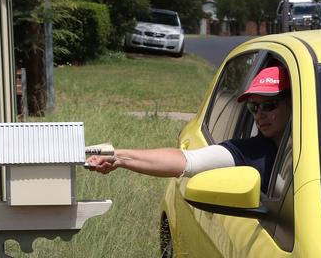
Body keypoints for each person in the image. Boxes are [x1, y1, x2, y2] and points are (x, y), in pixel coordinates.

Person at [85, 64, 292, 190]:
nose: (259, 115)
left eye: (269, 105)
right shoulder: (253, 153)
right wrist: (118, 157)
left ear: (293, 104)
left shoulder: (320, 146)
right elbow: (187, 160)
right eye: (253, 107)